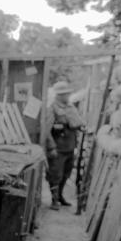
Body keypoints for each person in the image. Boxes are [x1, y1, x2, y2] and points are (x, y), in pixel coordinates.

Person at [44, 81, 85, 210]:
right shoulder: (52, 108)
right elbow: (47, 129)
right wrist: (51, 147)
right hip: (58, 147)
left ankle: (60, 196)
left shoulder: (70, 107)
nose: (67, 96)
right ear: (59, 95)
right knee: (55, 174)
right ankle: (54, 199)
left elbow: (76, 122)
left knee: (66, 173)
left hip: (69, 145)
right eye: (65, 94)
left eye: (68, 93)